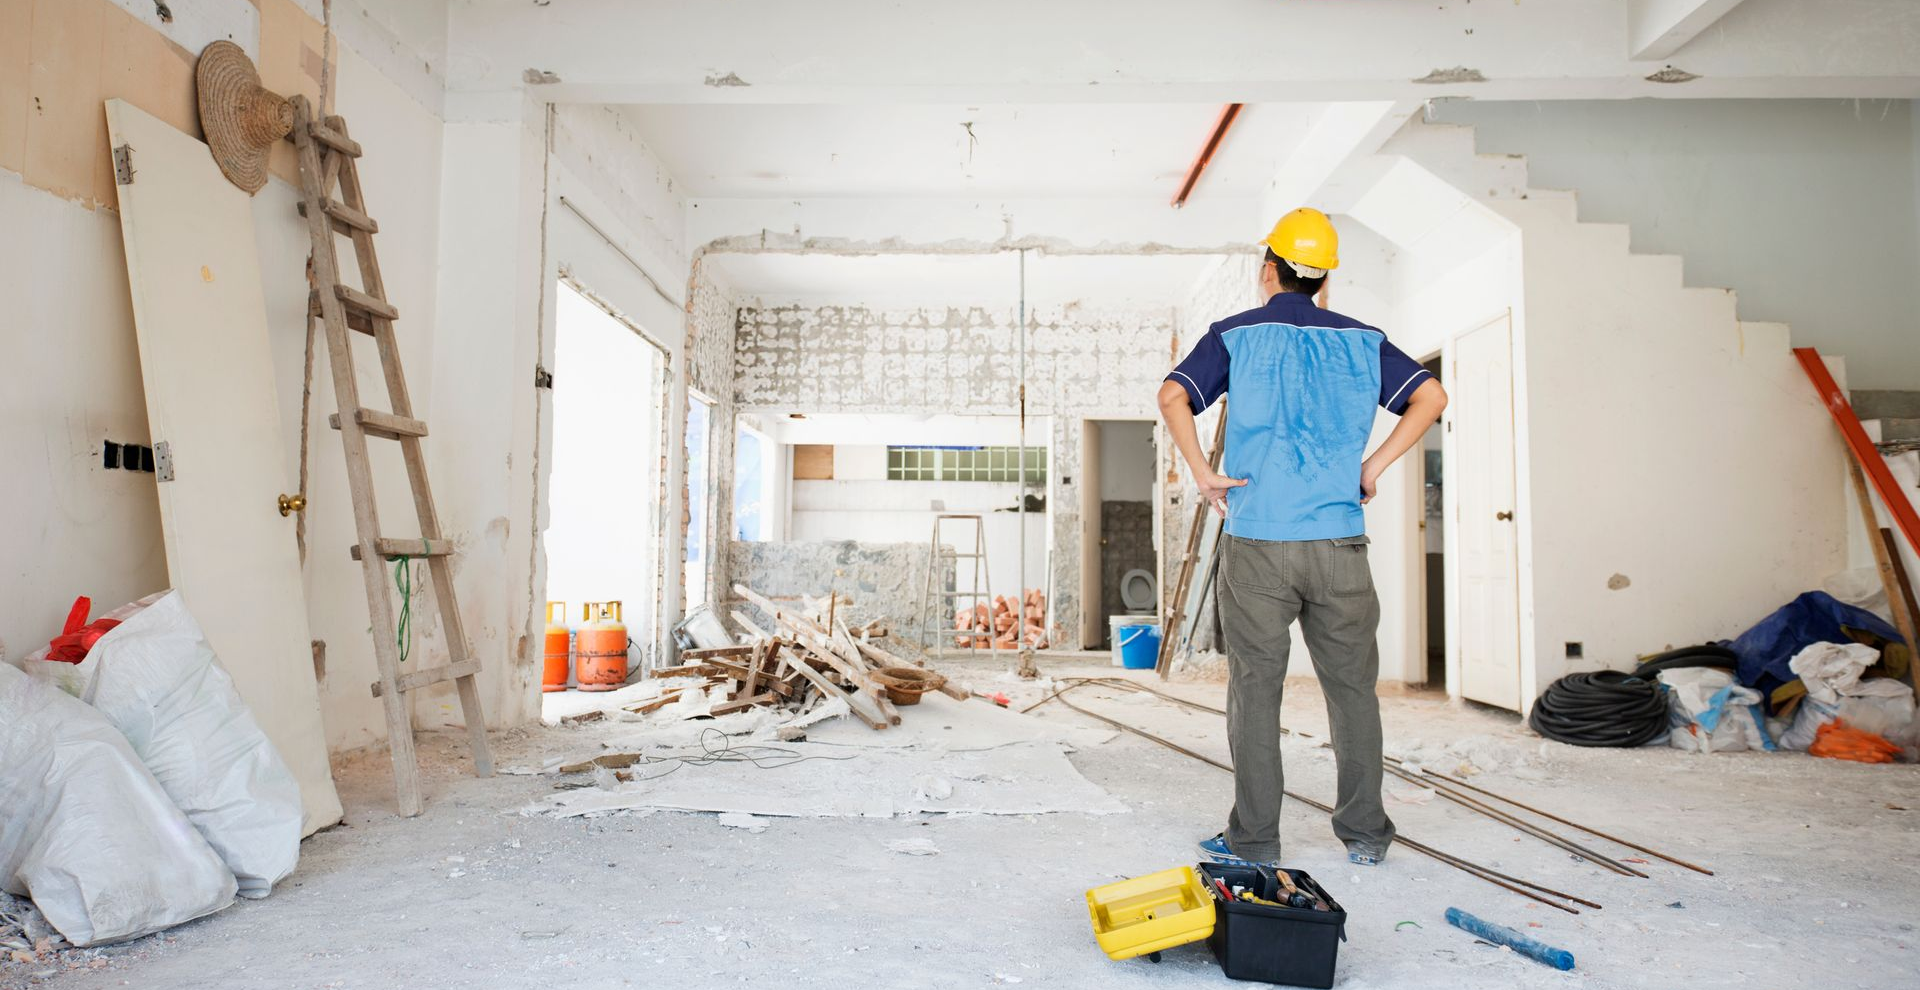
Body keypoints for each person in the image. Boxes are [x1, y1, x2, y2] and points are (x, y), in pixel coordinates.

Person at [1156, 207, 1448, 868]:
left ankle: (1254, 841)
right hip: (1340, 542)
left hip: (1258, 542)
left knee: (1255, 693)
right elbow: (1430, 398)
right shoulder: (1364, 340)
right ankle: (1367, 837)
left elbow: (1173, 395)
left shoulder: (1236, 335)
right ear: (1324, 282)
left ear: (1269, 271)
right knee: (1352, 692)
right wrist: (1369, 467)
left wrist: (1204, 473)